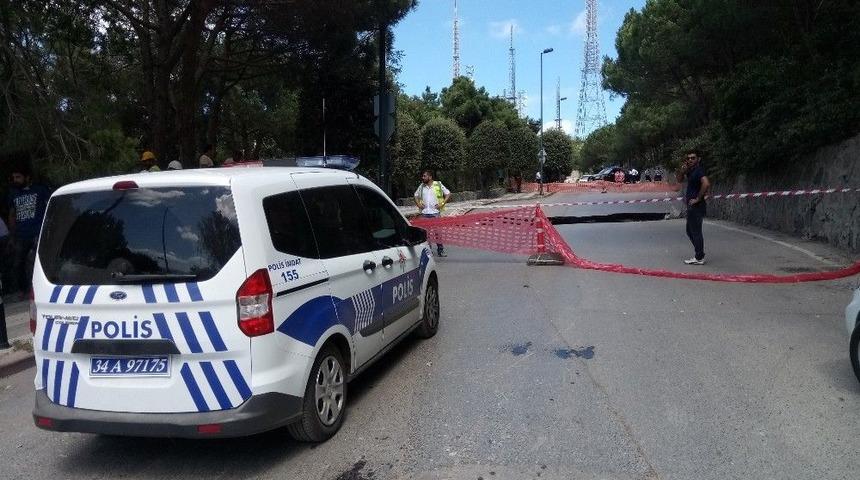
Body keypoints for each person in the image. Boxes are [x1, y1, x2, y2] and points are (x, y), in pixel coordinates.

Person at [6, 166, 50, 296]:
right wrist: (12, 235)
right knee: (18, 263)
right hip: (21, 234)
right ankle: (23, 290)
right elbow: (12, 215)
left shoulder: (40, 190)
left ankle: (40, 290)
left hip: (38, 232)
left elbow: (49, 207)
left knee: (38, 262)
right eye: (14, 177)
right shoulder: (13, 194)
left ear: (27, 177)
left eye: (18, 177)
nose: (15, 180)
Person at [676, 150, 711, 265]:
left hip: (696, 206)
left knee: (695, 231)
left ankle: (699, 257)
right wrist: (682, 171)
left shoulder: (699, 171)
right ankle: (699, 254)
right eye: (688, 158)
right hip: (692, 206)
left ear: (698, 159)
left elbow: (706, 183)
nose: (690, 160)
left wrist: (698, 198)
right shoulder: (691, 171)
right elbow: (679, 180)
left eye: (693, 158)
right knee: (690, 231)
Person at [414, 170, 451, 257]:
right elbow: (415, 195)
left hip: (435, 213)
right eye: (423, 176)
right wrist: (418, 204)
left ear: (430, 177)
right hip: (424, 214)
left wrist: (442, 203)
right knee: (426, 234)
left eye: (424, 176)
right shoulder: (421, 186)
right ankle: (429, 251)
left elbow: (448, 194)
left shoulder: (438, 184)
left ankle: (440, 250)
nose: (423, 178)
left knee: (438, 233)